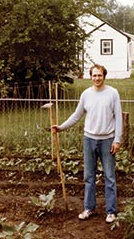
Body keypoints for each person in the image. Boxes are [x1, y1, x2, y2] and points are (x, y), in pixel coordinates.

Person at [52, 64, 123, 224]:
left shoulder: (112, 93)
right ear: (90, 77)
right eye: (94, 75)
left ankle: (111, 212)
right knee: (89, 176)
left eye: (99, 75)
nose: (97, 78)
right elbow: (76, 115)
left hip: (107, 140)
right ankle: (89, 208)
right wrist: (61, 127)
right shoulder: (86, 95)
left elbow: (118, 117)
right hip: (89, 139)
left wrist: (117, 139)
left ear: (104, 76)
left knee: (109, 177)